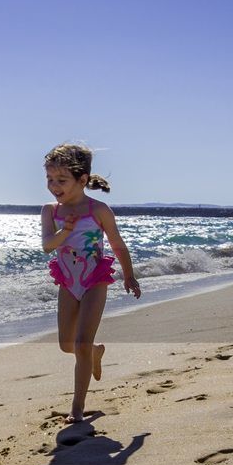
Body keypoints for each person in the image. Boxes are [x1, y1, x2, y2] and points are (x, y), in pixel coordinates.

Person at [41, 143, 141, 424]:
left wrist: (129, 275)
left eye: (61, 180)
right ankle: (94, 353)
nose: (54, 186)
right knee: (66, 345)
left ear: (82, 180)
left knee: (81, 343)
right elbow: (48, 245)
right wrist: (66, 230)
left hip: (95, 278)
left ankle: (77, 407)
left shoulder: (99, 209)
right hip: (67, 280)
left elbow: (117, 244)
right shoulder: (50, 211)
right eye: (50, 179)